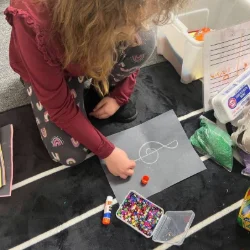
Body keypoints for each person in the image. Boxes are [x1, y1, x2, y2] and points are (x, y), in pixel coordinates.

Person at [5, 0, 185, 179]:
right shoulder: (34, 20)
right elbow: (59, 108)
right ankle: (47, 82)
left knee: (144, 40)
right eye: (129, 24)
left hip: (91, 42)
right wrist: (108, 152)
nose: (133, 31)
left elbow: (137, 40)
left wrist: (119, 95)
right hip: (53, 63)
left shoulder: (122, 18)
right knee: (70, 153)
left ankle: (99, 86)